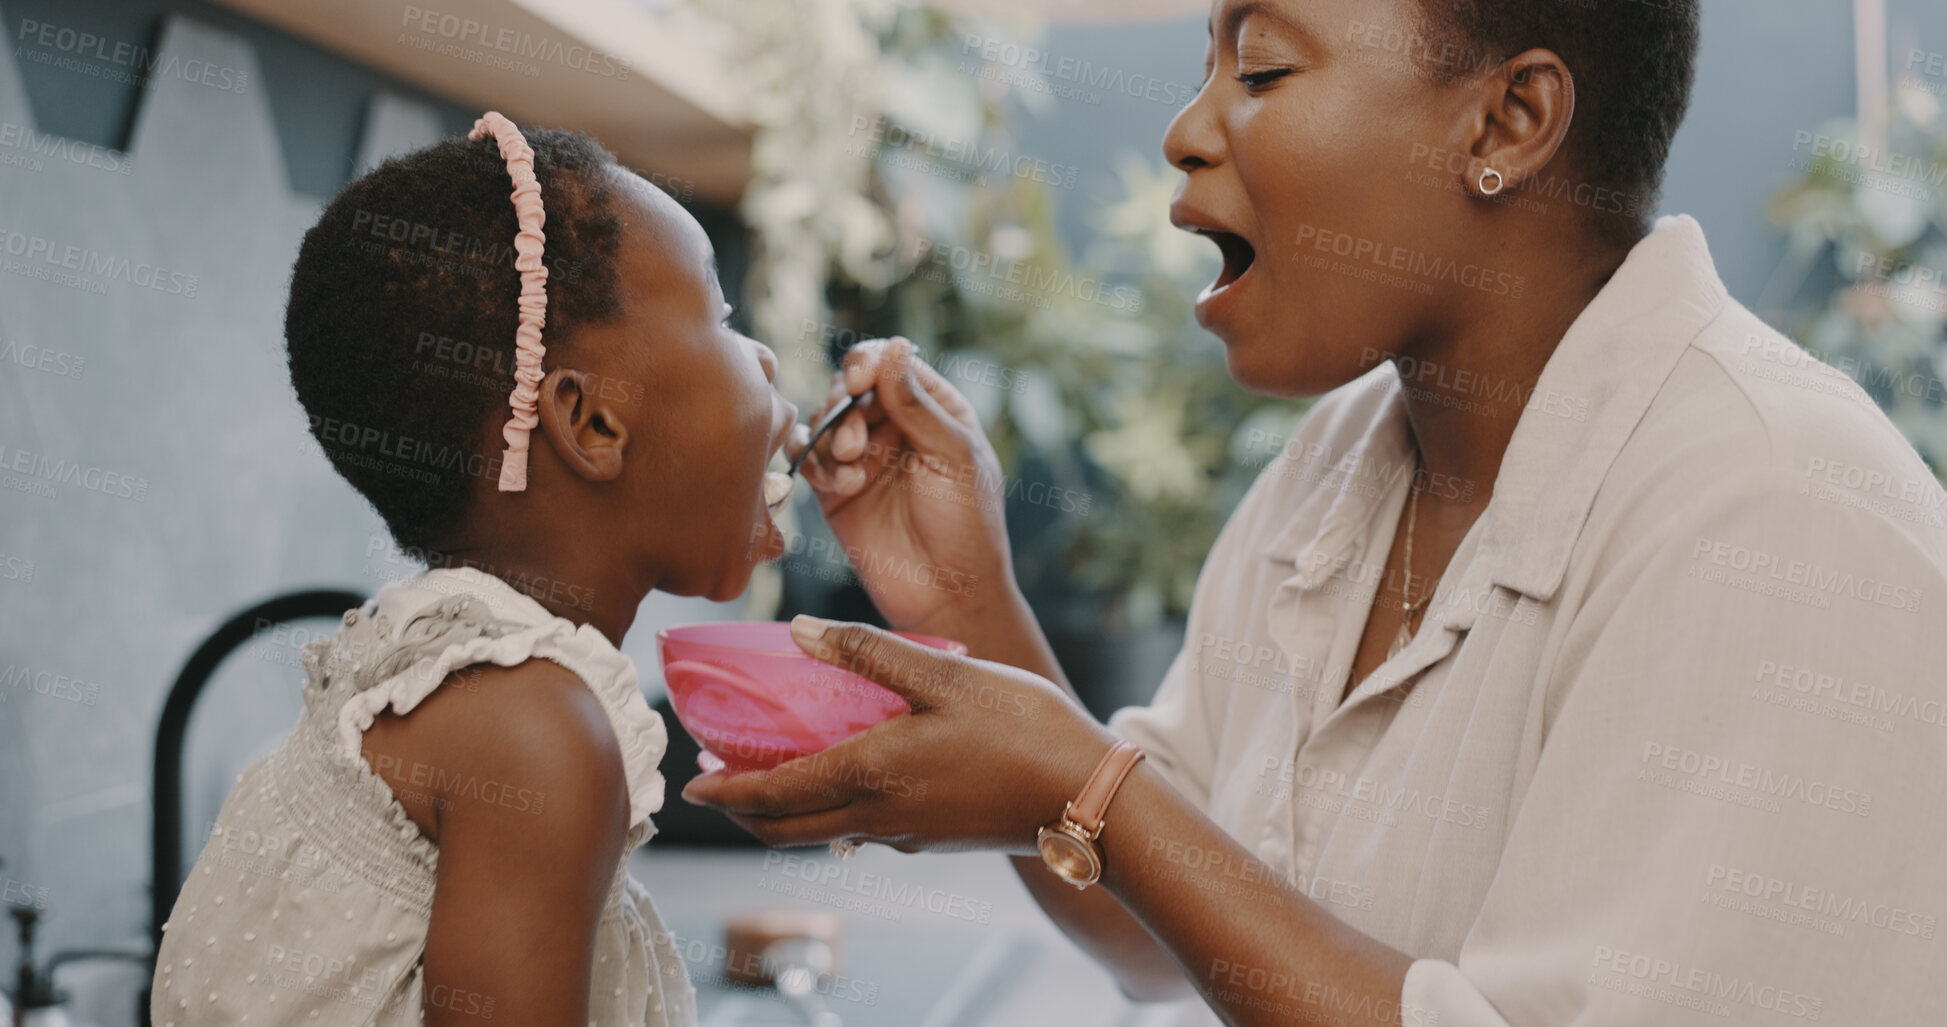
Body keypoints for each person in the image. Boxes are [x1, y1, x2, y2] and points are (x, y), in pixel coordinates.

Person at [684, 1, 1947, 1024]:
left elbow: (1121, 824)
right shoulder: (1344, 462)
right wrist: (968, 608)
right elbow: (1158, 920)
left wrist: (1092, 792)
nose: (1185, 129)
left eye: (1265, 66)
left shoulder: (1782, 520)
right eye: (1206, 65)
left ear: (1509, 117)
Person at [152, 114, 800, 1025]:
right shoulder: (539, 734)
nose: (765, 358)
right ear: (594, 424)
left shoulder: (424, 673)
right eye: (723, 316)